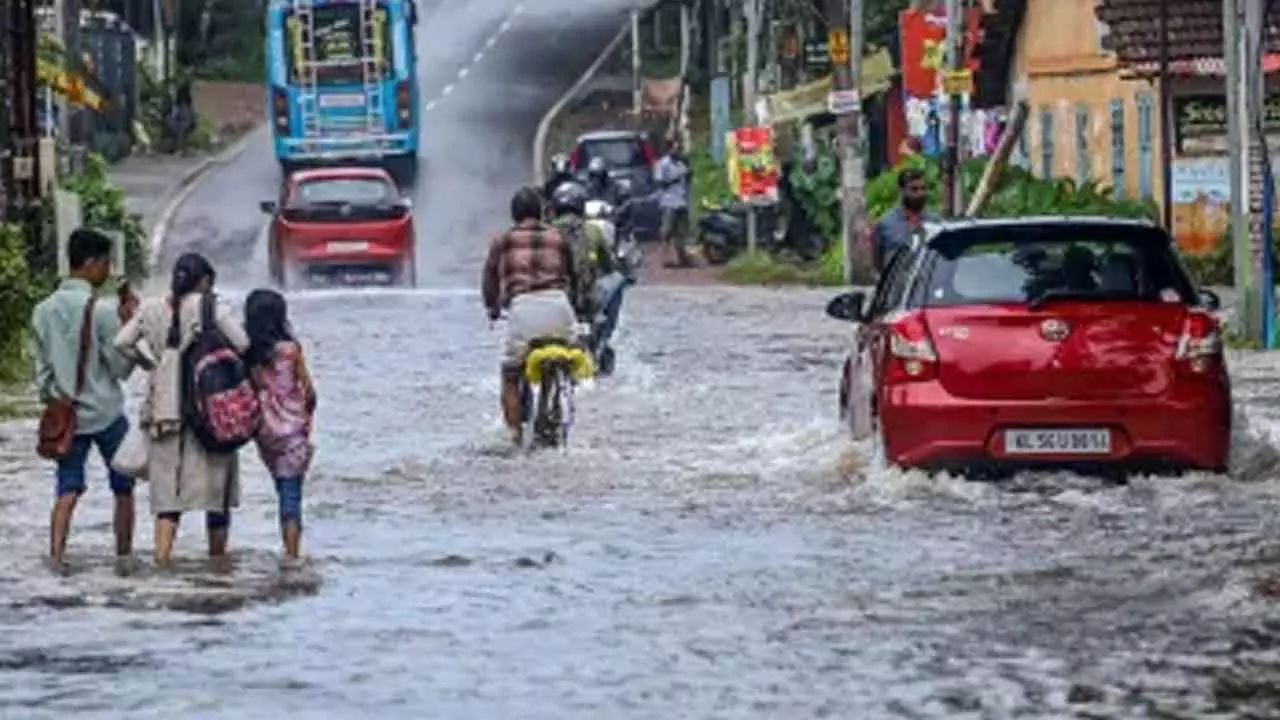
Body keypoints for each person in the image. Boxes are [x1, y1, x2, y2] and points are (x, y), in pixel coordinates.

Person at [114, 253, 249, 566]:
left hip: (164, 403)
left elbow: (121, 341)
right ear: (204, 282)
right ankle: (217, 563)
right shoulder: (210, 307)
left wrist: (151, 363)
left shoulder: (149, 308)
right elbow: (241, 342)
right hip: (208, 401)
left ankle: (162, 560)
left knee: (167, 492)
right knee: (216, 490)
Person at [31, 227, 140, 569]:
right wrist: (130, 325)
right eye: (106, 263)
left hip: (67, 416)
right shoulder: (104, 311)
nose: (107, 272)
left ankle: (56, 557)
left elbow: (42, 371)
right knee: (124, 487)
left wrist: (57, 398)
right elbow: (121, 368)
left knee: (67, 489)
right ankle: (123, 557)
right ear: (91, 263)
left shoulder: (43, 310)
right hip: (106, 413)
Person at [482, 187, 587, 444]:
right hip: (560, 306)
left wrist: (493, 308)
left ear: (513, 214)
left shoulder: (502, 241)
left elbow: (489, 281)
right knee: (572, 356)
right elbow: (574, 277)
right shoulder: (557, 238)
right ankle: (562, 397)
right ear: (541, 212)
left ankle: (515, 434)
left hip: (523, 310)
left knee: (510, 374)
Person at [244, 289, 316, 562]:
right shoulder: (290, 350)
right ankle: (292, 555)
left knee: (281, 486)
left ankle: (288, 549)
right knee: (291, 493)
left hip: (264, 432)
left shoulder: (249, 354)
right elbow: (308, 390)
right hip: (292, 431)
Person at [548, 182, 623, 366]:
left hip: (551, 299)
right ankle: (605, 334)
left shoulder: (546, 231)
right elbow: (610, 265)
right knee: (618, 280)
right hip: (586, 301)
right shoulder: (593, 230)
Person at [870, 168, 940, 273]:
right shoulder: (886, 224)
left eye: (923, 188)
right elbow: (878, 264)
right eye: (914, 189)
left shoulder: (936, 221)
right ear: (901, 191)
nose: (920, 193)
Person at [655, 139, 693, 268]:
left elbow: (687, 180)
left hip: (681, 201)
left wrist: (688, 175)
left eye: (678, 149)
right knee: (667, 232)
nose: (677, 151)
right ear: (669, 149)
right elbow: (660, 183)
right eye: (675, 149)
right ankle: (664, 259)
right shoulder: (663, 164)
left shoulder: (681, 164)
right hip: (669, 201)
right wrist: (675, 179)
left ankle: (682, 258)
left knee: (681, 232)